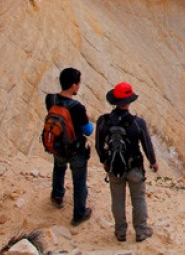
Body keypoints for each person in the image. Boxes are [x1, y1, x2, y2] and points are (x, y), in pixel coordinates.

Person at [98, 82, 158, 243]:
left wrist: (104, 160)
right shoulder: (137, 123)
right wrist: (153, 162)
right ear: (129, 101)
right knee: (138, 198)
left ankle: (120, 231)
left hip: (113, 166)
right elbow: (147, 144)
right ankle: (141, 231)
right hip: (134, 167)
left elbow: (99, 144)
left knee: (117, 199)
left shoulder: (104, 121)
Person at [45, 67, 94, 226]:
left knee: (59, 168)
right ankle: (79, 215)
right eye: (78, 84)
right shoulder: (77, 107)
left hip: (57, 145)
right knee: (79, 180)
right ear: (73, 85)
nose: (78, 86)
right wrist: (86, 118)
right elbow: (88, 130)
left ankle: (57, 196)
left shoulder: (50, 99)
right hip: (75, 149)